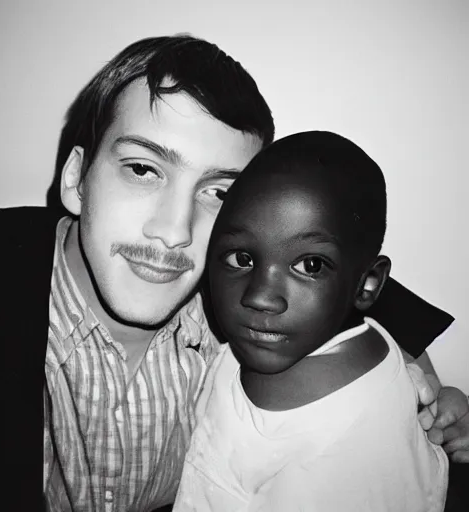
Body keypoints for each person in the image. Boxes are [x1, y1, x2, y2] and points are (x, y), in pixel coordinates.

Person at [0, 35, 467, 512]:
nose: (174, 231)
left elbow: (347, 280)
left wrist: (440, 410)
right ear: (76, 179)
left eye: (219, 193)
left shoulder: (242, 294)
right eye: (142, 169)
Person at [173, 131, 449, 511]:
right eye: (241, 259)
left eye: (310, 266)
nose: (259, 297)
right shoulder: (340, 334)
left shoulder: (332, 461)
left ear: (368, 284)